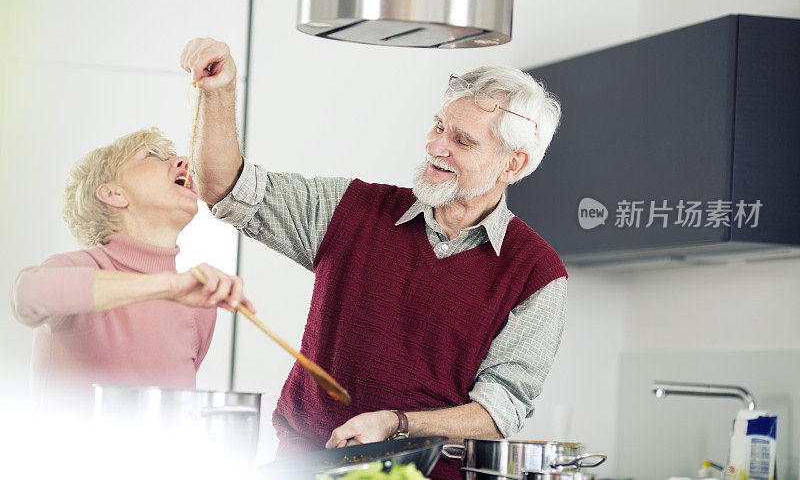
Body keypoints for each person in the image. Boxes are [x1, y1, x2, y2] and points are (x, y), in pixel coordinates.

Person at [180, 38, 567, 480]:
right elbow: (226, 188)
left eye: (461, 140)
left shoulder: (537, 273)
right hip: (304, 467)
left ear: (512, 165)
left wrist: (398, 423)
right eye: (438, 126)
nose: (436, 146)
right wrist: (219, 91)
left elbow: (498, 412)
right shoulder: (352, 209)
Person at [11, 128, 253, 410]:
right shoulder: (82, 267)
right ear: (114, 194)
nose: (182, 161)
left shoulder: (199, 308)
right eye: (152, 155)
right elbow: (26, 294)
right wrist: (167, 286)